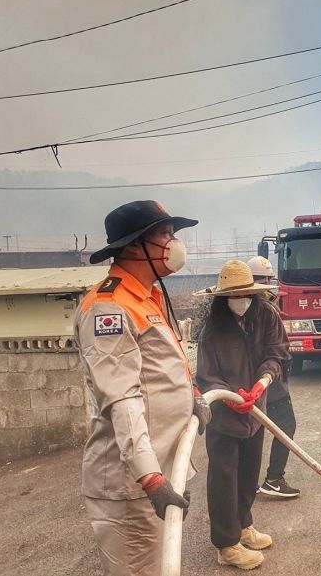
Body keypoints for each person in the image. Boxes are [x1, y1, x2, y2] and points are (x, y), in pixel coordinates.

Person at [75, 200, 210, 576]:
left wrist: (192, 394)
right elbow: (122, 397)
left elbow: (161, 368)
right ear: (135, 246)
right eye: (165, 234)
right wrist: (150, 477)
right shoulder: (110, 308)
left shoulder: (147, 296)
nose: (174, 243)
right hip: (133, 486)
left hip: (162, 473)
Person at [195, 259, 290, 570]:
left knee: (249, 471)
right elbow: (206, 375)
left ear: (254, 292)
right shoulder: (213, 327)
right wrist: (232, 395)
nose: (240, 300)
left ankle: (244, 524)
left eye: (245, 294)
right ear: (222, 298)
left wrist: (261, 385)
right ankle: (226, 544)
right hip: (224, 413)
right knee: (224, 476)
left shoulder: (266, 315)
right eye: (233, 296)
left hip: (255, 411)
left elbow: (276, 353)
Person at [246, 256, 301, 499]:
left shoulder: (249, 306)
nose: (269, 284)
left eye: (269, 279)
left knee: (256, 430)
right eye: (265, 279)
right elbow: (275, 348)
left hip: (262, 378)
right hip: (270, 380)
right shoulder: (264, 308)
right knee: (286, 426)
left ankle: (249, 482)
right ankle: (274, 479)